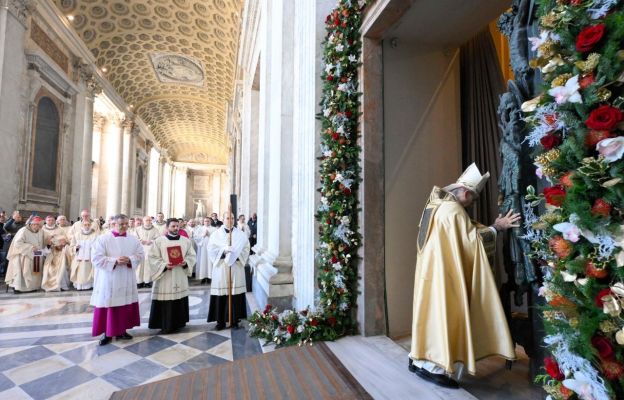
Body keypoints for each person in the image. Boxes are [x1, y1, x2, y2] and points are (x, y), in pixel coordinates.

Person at [409, 163, 520, 388]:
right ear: (467, 193)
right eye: (473, 199)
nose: (471, 205)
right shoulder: (454, 210)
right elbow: (472, 242)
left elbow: (461, 233)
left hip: (429, 273)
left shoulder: (436, 204)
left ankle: (418, 360)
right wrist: (496, 228)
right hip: (445, 275)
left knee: (429, 315)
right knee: (446, 315)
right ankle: (435, 368)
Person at [90, 214, 144, 346]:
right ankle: (106, 333)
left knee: (124, 304)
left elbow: (141, 255)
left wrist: (130, 259)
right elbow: (96, 258)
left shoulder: (133, 239)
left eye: (126, 223)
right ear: (113, 224)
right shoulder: (103, 239)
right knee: (108, 303)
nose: (125, 226)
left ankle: (122, 330)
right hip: (109, 277)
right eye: (121, 224)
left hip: (126, 275)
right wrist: (114, 261)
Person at [148, 218, 196, 334]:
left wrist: (186, 262)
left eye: (177, 226)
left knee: (179, 298)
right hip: (165, 275)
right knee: (166, 299)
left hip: (180, 274)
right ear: (167, 227)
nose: (176, 228)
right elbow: (152, 257)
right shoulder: (159, 241)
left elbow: (192, 256)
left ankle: (179, 323)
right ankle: (164, 324)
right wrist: (164, 265)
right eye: (173, 226)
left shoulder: (186, 241)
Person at [206, 212, 250, 330]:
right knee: (221, 294)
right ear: (223, 219)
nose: (230, 220)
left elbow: (246, 249)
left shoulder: (241, 235)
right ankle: (220, 321)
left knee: (235, 294)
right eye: (227, 218)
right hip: (221, 267)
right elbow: (211, 249)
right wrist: (224, 252)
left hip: (236, 267)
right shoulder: (215, 235)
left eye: (232, 218)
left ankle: (235, 320)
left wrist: (236, 254)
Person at [4, 216, 45, 293]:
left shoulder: (40, 231)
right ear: (31, 224)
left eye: (39, 225)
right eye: (36, 225)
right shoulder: (23, 230)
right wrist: (30, 247)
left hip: (36, 256)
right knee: (23, 272)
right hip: (23, 255)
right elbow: (17, 243)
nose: (38, 227)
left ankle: (32, 287)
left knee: (35, 271)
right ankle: (19, 288)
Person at [41, 215, 70, 292]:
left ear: (55, 221)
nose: (50, 221)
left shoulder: (59, 229)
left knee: (61, 268)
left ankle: (61, 285)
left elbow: (65, 239)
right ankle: (49, 285)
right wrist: (48, 243)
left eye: (52, 220)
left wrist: (62, 243)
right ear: (45, 221)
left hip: (58, 252)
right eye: (49, 220)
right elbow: (41, 241)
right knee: (49, 269)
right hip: (47, 252)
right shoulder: (42, 229)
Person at [70, 219, 98, 290]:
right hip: (79, 256)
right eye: (85, 225)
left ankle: (89, 285)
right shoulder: (77, 234)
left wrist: (93, 246)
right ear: (82, 225)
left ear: (91, 225)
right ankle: (80, 285)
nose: (87, 226)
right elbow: (72, 245)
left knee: (89, 270)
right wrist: (76, 248)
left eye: (89, 225)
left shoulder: (95, 234)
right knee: (80, 271)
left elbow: (98, 245)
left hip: (90, 256)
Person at [134, 216, 160, 288]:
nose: (148, 221)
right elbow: (135, 237)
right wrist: (140, 241)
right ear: (143, 221)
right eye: (146, 220)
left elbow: (158, 238)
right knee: (139, 266)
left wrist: (151, 241)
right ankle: (139, 282)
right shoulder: (138, 229)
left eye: (149, 220)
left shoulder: (155, 229)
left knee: (148, 265)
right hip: (140, 249)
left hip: (150, 249)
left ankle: (147, 281)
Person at [195, 217, 217, 284]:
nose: (206, 222)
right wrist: (203, 235)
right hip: (203, 249)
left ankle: (210, 277)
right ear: (203, 222)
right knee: (202, 262)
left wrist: (209, 235)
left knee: (210, 262)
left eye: (208, 221)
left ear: (210, 222)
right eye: (205, 221)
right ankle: (203, 277)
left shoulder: (214, 229)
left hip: (211, 249)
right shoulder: (199, 229)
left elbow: (217, 239)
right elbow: (196, 238)